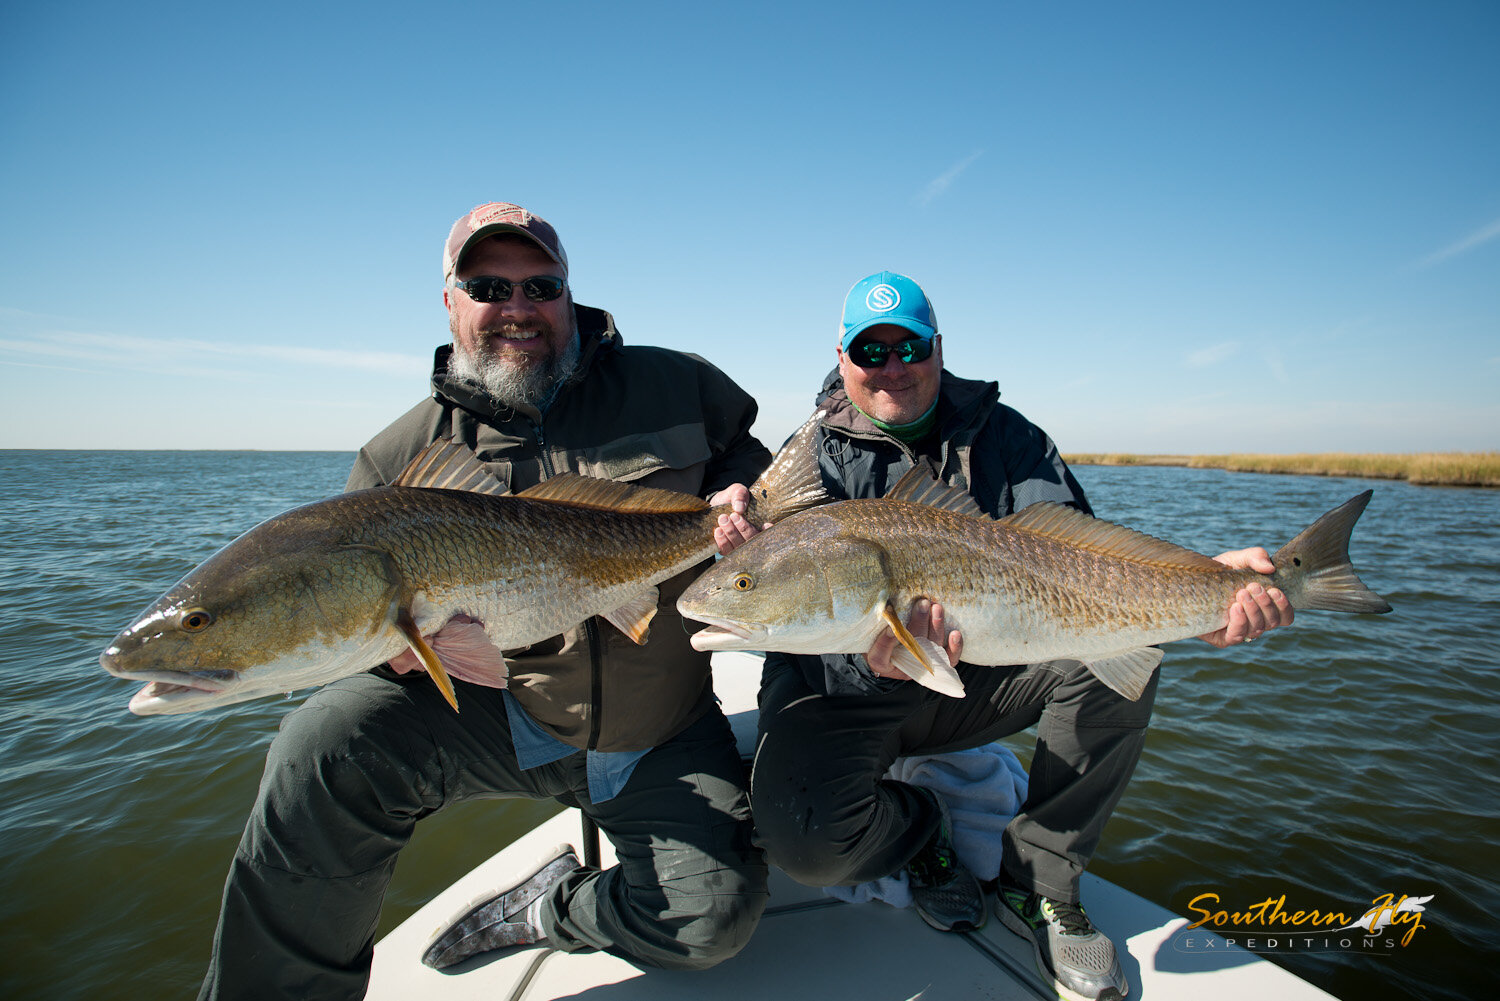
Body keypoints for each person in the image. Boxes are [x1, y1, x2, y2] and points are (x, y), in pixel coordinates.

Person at [199, 202, 773, 1000]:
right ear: (450, 300)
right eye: (487, 286)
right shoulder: (396, 457)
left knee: (712, 924)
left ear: (569, 295)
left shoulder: (679, 384)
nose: (517, 307)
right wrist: (401, 650)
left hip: (659, 722)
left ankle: (554, 906)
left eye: (540, 285)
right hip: (506, 716)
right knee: (324, 741)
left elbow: (750, 455)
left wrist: (744, 488)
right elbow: (369, 627)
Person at [749, 271, 1292, 1001]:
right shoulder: (808, 457)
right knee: (806, 845)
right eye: (870, 350)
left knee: (1112, 657)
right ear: (842, 357)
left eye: (909, 344)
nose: (892, 366)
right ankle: (918, 832)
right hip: (841, 684)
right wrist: (871, 663)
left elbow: (1087, 564)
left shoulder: (1010, 437)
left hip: (971, 676)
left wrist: (1208, 591)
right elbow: (780, 591)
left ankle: (1040, 880)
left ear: (938, 348)